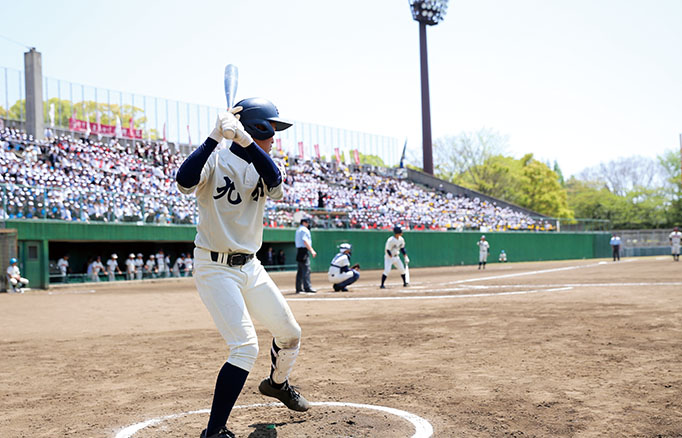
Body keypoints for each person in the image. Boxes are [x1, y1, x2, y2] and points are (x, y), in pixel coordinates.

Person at [175, 97, 310, 438]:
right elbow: (184, 180)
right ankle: (214, 431)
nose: (274, 138)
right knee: (245, 347)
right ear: (258, 126)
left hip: (250, 267)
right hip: (214, 267)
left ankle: (278, 384)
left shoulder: (263, 163)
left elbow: (276, 184)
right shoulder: (215, 158)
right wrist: (213, 137)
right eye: (271, 131)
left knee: (291, 333)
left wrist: (246, 142)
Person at [295, 217, 317, 293]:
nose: (308, 224)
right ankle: (307, 287)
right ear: (304, 222)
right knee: (306, 270)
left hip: (299, 251)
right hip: (303, 251)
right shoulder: (304, 230)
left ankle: (299, 288)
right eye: (307, 223)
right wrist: (312, 250)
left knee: (300, 271)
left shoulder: (298, 229)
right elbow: (305, 241)